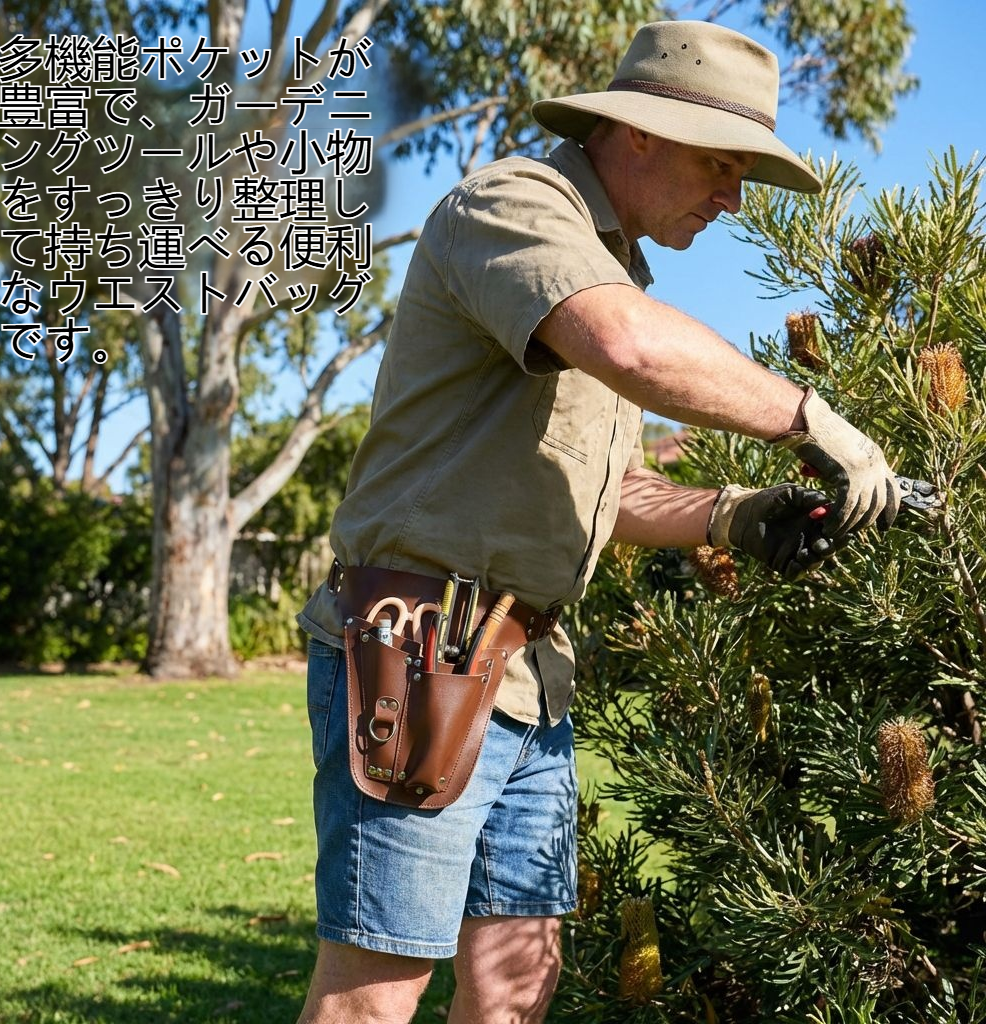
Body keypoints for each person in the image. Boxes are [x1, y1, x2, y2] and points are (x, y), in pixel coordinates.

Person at [295, 19, 898, 1024]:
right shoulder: (515, 207)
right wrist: (809, 414)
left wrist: (733, 514)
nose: (733, 197)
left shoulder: (610, 267)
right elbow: (628, 346)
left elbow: (602, 488)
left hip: (528, 673)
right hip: (420, 648)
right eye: (720, 163)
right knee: (373, 995)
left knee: (513, 989)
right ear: (641, 136)